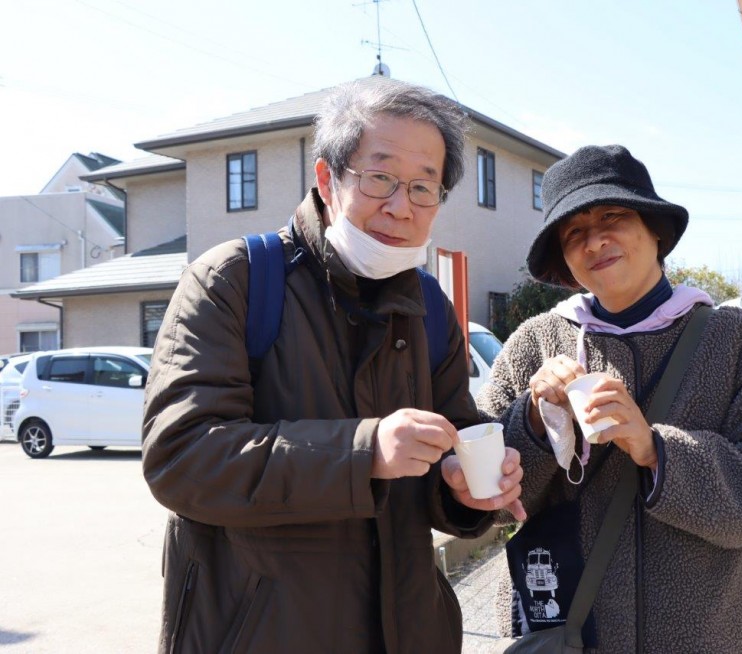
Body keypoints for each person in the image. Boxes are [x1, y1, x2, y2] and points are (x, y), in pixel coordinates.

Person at [142, 77, 525, 654]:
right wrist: (365, 451)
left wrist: (465, 491)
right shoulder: (233, 281)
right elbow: (182, 456)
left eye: (424, 187)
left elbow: (448, 444)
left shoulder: (430, 308)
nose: (401, 206)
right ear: (327, 179)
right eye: (381, 178)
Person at [478, 144, 742, 653]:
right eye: (575, 232)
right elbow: (487, 501)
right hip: (569, 636)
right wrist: (533, 420)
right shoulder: (534, 345)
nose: (595, 240)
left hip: (716, 637)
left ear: (656, 230)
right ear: (564, 260)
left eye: (613, 215)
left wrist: (658, 451)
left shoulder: (735, 341)